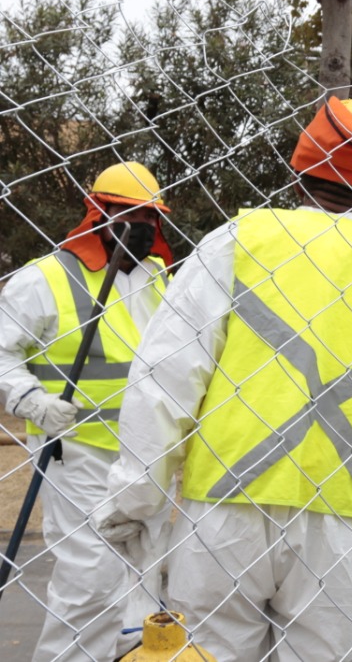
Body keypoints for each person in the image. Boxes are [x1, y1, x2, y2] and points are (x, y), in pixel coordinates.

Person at [95, 98, 352, 662]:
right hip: (348, 519)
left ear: (298, 174)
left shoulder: (236, 242)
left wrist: (135, 500)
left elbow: (166, 378)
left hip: (226, 509)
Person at [0, 161, 173, 662]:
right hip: (75, 452)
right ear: (98, 215)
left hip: (146, 452)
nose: (140, 228)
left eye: (149, 218)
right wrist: (29, 401)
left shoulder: (156, 277)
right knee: (90, 581)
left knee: (141, 577)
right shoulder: (45, 278)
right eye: (127, 215)